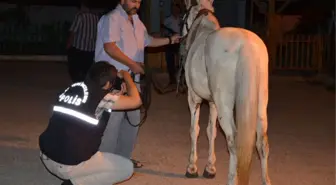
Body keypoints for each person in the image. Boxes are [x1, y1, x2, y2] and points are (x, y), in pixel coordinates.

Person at [94, 0, 181, 168]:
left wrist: (171, 40)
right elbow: (109, 47)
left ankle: (123, 160)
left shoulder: (137, 22)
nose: (137, 5)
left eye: (139, 2)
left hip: (133, 81)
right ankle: (105, 163)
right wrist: (133, 64)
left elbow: (148, 41)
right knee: (113, 122)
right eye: (133, 1)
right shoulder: (111, 18)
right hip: (113, 80)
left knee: (132, 121)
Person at [39, 61, 142, 185]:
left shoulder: (72, 88)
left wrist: (115, 96)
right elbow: (136, 101)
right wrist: (126, 75)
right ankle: (76, 183)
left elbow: (92, 106)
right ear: (109, 84)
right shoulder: (102, 98)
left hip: (46, 155)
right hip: (67, 165)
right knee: (126, 168)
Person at [66, 0, 100, 83]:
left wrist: (68, 45)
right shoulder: (96, 17)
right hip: (90, 49)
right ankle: (83, 86)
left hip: (78, 48)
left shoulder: (80, 16)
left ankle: (77, 85)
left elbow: (73, 32)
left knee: (74, 70)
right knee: (85, 70)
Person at [163, 4, 182, 85]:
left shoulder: (181, 19)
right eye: (173, 9)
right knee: (170, 60)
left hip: (179, 42)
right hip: (170, 42)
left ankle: (180, 78)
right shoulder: (167, 19)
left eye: (176, 9)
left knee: (180, 60)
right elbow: (163, 30)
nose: (175, 10)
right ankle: (172, 79)